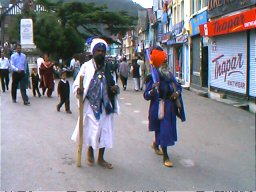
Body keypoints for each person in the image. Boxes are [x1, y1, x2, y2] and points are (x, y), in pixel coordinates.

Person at [71, 38, 120, 169]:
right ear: (93, 52)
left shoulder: (109, 67)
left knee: (104, 131)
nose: (100, 53)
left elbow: (114, 82)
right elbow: (76, 84)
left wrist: (115, 88)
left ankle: (101, 158)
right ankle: (90, 152)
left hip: (106, 105)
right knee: (92, 130)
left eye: (102, 51)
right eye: (98, 51)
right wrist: (78, 90)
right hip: (90, 105)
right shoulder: (86, 66)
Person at [143, 46, 186, 167]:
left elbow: (179, 87)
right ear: (158, 63)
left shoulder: (169, 75)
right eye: (164, 62)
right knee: (164, 130)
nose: (166, 64)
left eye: (166, 61)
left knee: (163, 130)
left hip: (170, 107)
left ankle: (156, 144)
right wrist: (152, 91)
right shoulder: (152, 78)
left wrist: (176, 93)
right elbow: (146, 95)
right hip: (159, 107)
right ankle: (166, 156)